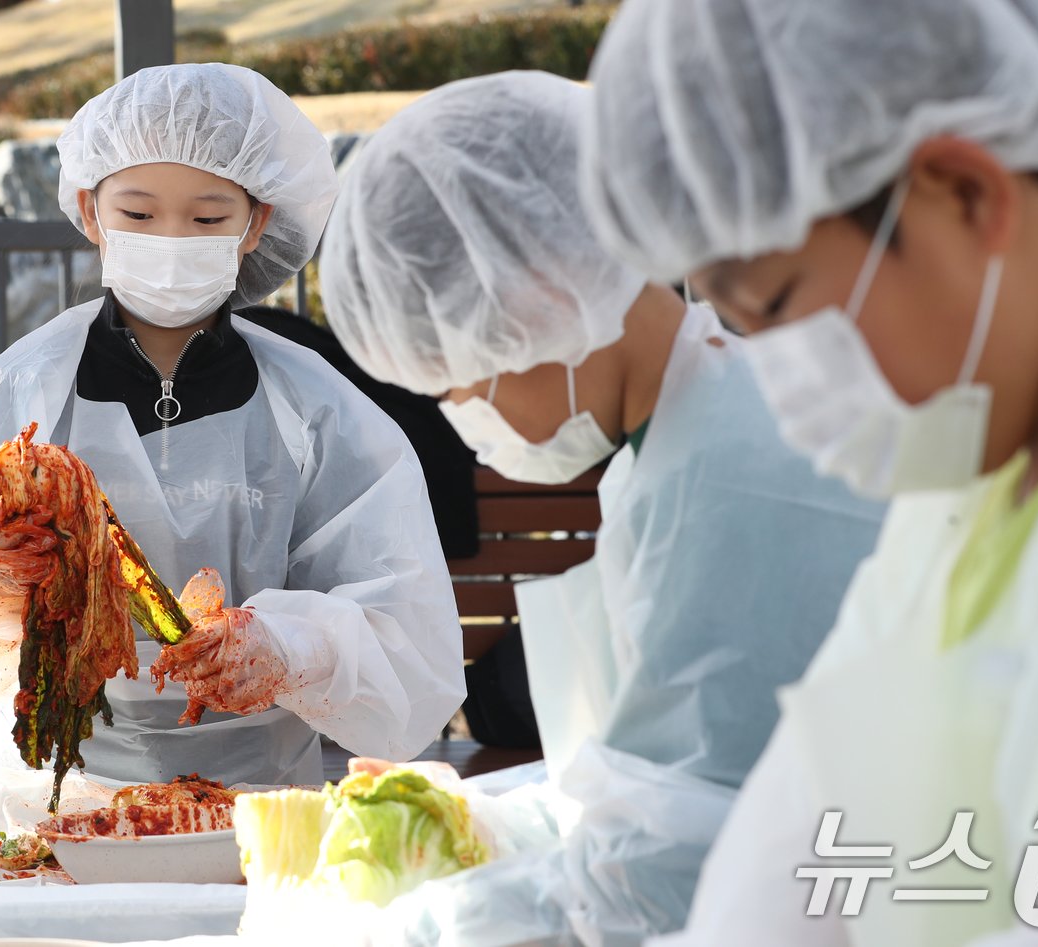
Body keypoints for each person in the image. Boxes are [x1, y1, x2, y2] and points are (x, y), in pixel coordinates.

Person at [579, 1, 1038, 945]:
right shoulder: (978, 459)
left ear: (963, 191)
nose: (783, 390)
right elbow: (797, 840)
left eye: (780, 308)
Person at [318, 71, 884, 945]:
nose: (467, 418)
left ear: (541, 298)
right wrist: (493, 821)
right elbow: (656, 779)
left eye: (458, 381)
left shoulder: (727, 477)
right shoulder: (683, 437)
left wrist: (409, 929)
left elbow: (661, 876)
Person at [0, 63, 465, 787]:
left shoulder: (318, 411)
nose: (173, 239)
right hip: (51, 793)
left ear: (257, 222)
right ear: (91, 212)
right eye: (140, 215)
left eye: (208, 218)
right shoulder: (22, 392)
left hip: (262, 797)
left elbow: (405, 628)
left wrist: (291, 647)